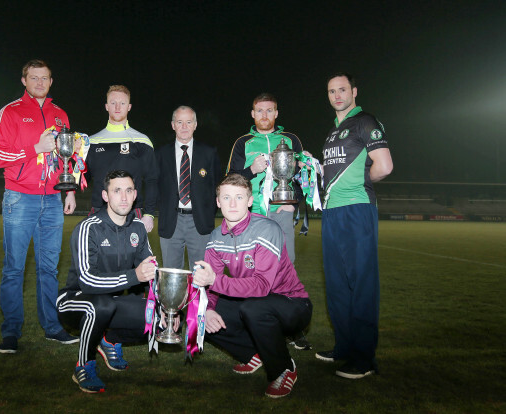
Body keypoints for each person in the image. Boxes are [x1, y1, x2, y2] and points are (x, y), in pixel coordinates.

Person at [192, 174, 312, 399]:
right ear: (218, 202)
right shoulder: (216, 238)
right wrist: (207, 309)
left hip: (292, 304)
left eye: (239, 197)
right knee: (196, 312)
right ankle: (253, 353)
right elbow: (211, 283)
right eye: (226, 197)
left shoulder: (267, 229)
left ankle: (284, 369)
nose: (232, 203)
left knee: (254, 308)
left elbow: (262, 286)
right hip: (253, 303)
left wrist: (214, 281)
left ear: (249, 201)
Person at [0, 59, 78, 354]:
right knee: (14, 269)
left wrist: (70, 190)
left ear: (51, 81)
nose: (40, 82)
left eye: (45, 78)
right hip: (20, 197)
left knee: (49, 269)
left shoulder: (60, 114)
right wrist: (35, 149)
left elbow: (68, 156)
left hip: (53, 199)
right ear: (24, 80)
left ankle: (52, 327)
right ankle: (11, 332)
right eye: (34, 77)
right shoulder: (11, 111)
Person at [315, 72, 393, 379]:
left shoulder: (365, 121)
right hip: (332, 212)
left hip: (357, 209)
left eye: (342, 89)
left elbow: (384, 166)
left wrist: (360, 183)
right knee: (336, 284)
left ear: (354, 92)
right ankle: (344, 347)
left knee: (361, 283)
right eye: (331, 91)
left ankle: (364, 358)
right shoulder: (333, 132)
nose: (337, 95)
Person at [56, 170, 158, 393]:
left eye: (128, 191)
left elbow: (151, 270)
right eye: (117, 191)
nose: (124, 197)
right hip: (75, 300)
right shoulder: (89, 228)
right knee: (101, 305)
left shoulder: (138, 228)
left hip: (113, 302)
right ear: (105, 196)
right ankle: (84, 365)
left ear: (135, 195)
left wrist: (167, 301)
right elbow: (86, 281)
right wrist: (133, 276)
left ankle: (109, 339)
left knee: (159, 316)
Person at [226, 93, 304, 264]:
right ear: (252, 113)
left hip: (282, 210)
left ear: (276, 113)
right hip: (251, 212)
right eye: (259, 111)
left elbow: (302, 176)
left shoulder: (291, 140)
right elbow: (230, 181)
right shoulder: (243, 142)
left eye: (269, 110)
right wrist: (252, 170)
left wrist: (293, 203)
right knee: (251, 265)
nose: (264, 115)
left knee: (285, 264)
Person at [85, 85, 158, 234]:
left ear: (129, 107)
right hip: (99, 211)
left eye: (122, 103)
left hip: (132, 212)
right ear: (106, 106)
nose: (117, 107)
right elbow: (83, 178)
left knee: (134, 251)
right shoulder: (91, 142)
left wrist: (149, 214)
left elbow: (152, 179)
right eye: (113, 103)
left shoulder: (142, 141)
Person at [156, 106, 221, 269]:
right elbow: (154, 186)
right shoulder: (160, 154)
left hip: (200, 222)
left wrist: (207, 212)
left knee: (201, 274)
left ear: (195, 125)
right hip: (171, 221)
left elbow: (217, 187)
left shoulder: (209, 153)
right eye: (180, 122)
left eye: (189, 122)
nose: (184, 127)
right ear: (173, 125)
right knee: (171, 275)